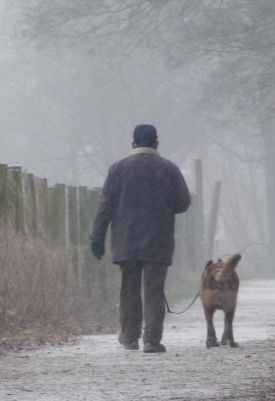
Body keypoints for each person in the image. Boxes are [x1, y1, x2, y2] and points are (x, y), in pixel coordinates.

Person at [90, 124, 191, 353]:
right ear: (156, 143)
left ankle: (129, 337)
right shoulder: (169, 169)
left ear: (133, 144)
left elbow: (105, 206)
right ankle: (152, 340)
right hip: (158, 241)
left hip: (126, 240)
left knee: (129, 290)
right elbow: (183, 203)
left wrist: (97, 238)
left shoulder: (118, 169)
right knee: (154, 290)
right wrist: (162, 206)